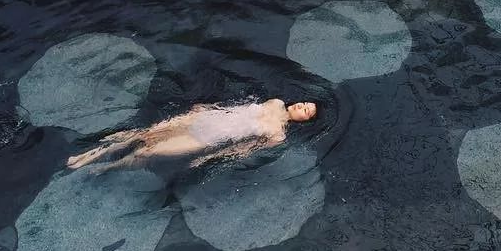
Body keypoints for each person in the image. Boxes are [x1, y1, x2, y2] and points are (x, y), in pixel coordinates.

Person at [67, 99, 318, 172]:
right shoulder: (275, 102)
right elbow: (238, 107)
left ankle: (108, 168)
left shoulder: (277, 135)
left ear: (304, 121)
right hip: (203, 120)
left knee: (148, 151)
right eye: (305, 103)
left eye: (307, 111)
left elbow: (243, 149)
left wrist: (208, 158)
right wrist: (209, 108)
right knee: (143, 135)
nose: (303, 106)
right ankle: (89, 156)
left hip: (204, 140)